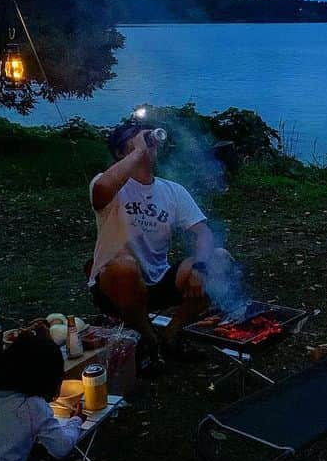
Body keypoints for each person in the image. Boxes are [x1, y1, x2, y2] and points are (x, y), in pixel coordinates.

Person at [88, 120, 236, 375]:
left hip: (159, 279)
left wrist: (199, 267)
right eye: (134, 138)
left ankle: (170, 335)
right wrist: (137, 152)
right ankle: (148, 340)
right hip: (115, 285)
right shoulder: (106, 182)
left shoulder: (172, 190)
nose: (146, 143)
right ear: (120, 152)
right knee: (125, 266)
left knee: (220, 258)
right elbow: (101, 191)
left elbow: (203, 232)